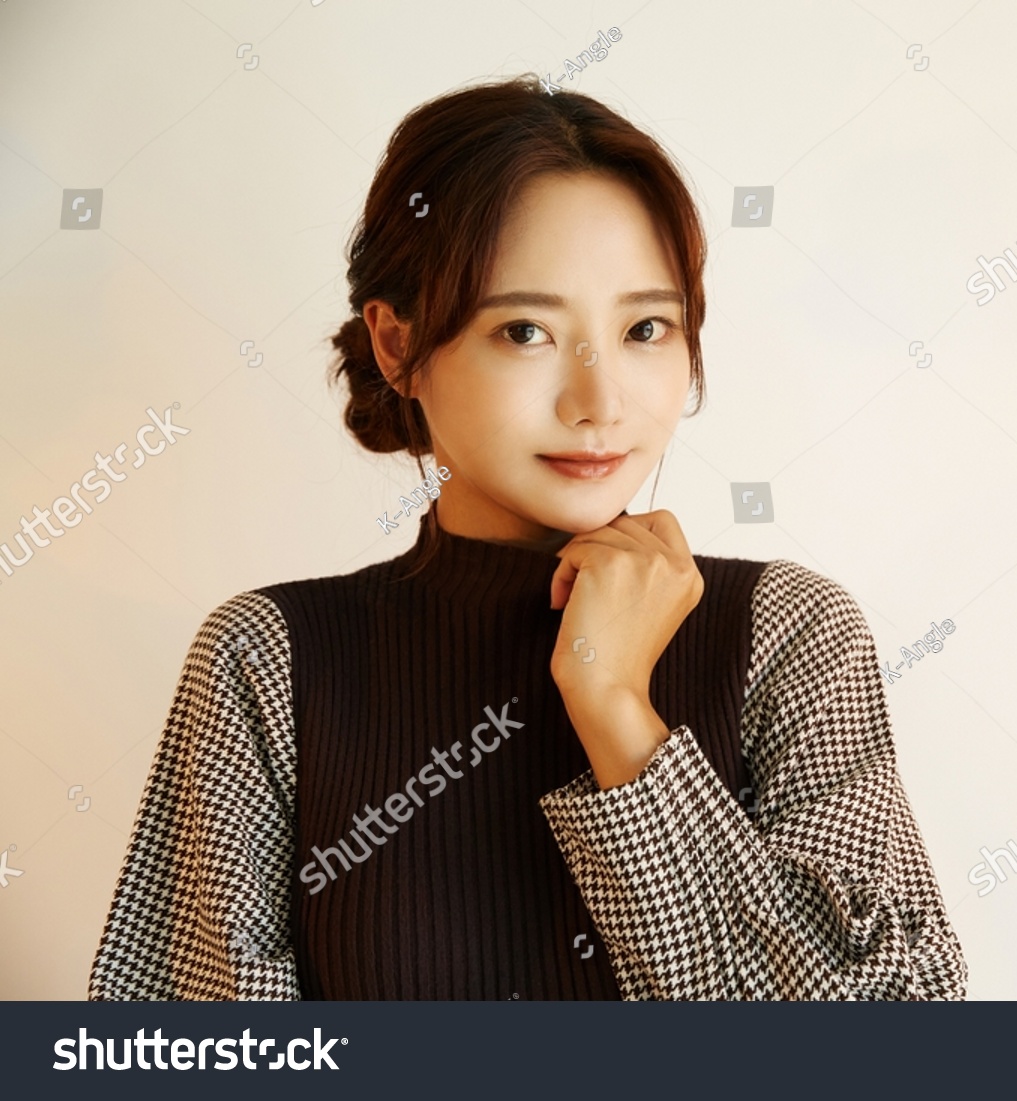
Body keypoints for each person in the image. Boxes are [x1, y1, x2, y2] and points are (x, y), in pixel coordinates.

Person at [88, 76, 967, 1001]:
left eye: (645, 328)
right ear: (396, 344)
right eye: (525, 330)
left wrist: (618, 708)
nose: (599, 402)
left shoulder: (786, 634)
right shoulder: (270, 660)